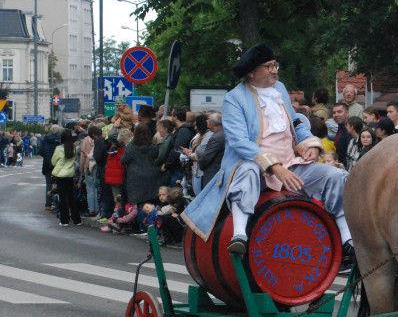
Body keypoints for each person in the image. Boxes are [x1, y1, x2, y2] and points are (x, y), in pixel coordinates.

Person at [181, 43, 353, 262]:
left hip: (290, 163)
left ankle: (346, 238)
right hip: (253, 165)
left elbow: (297, 121)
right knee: (248, 170)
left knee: (336, 176)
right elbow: (238, 141)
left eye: (275, 65)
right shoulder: (234, 98)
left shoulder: (279, 88)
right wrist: (275, 167)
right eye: (269, 66)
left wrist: (310, 144)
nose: (275, 70)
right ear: (252, 72)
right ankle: (240, 235)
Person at [121, 123, 163, 210]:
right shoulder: (153, 145)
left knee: (140, 204)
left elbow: (123, 160)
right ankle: (152, 222)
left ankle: (142, 223)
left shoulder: (131, 146)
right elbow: (157, 156)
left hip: (136, 178)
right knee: (152, 203)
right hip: (152, 176)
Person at [50, 128, 82, 227]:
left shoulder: (59, 149)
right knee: (72, 197)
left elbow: (53, 162)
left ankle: (64, 220)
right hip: (70, 174)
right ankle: (77, 220)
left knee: (63, 199)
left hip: (60, 175)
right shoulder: (73, 148)